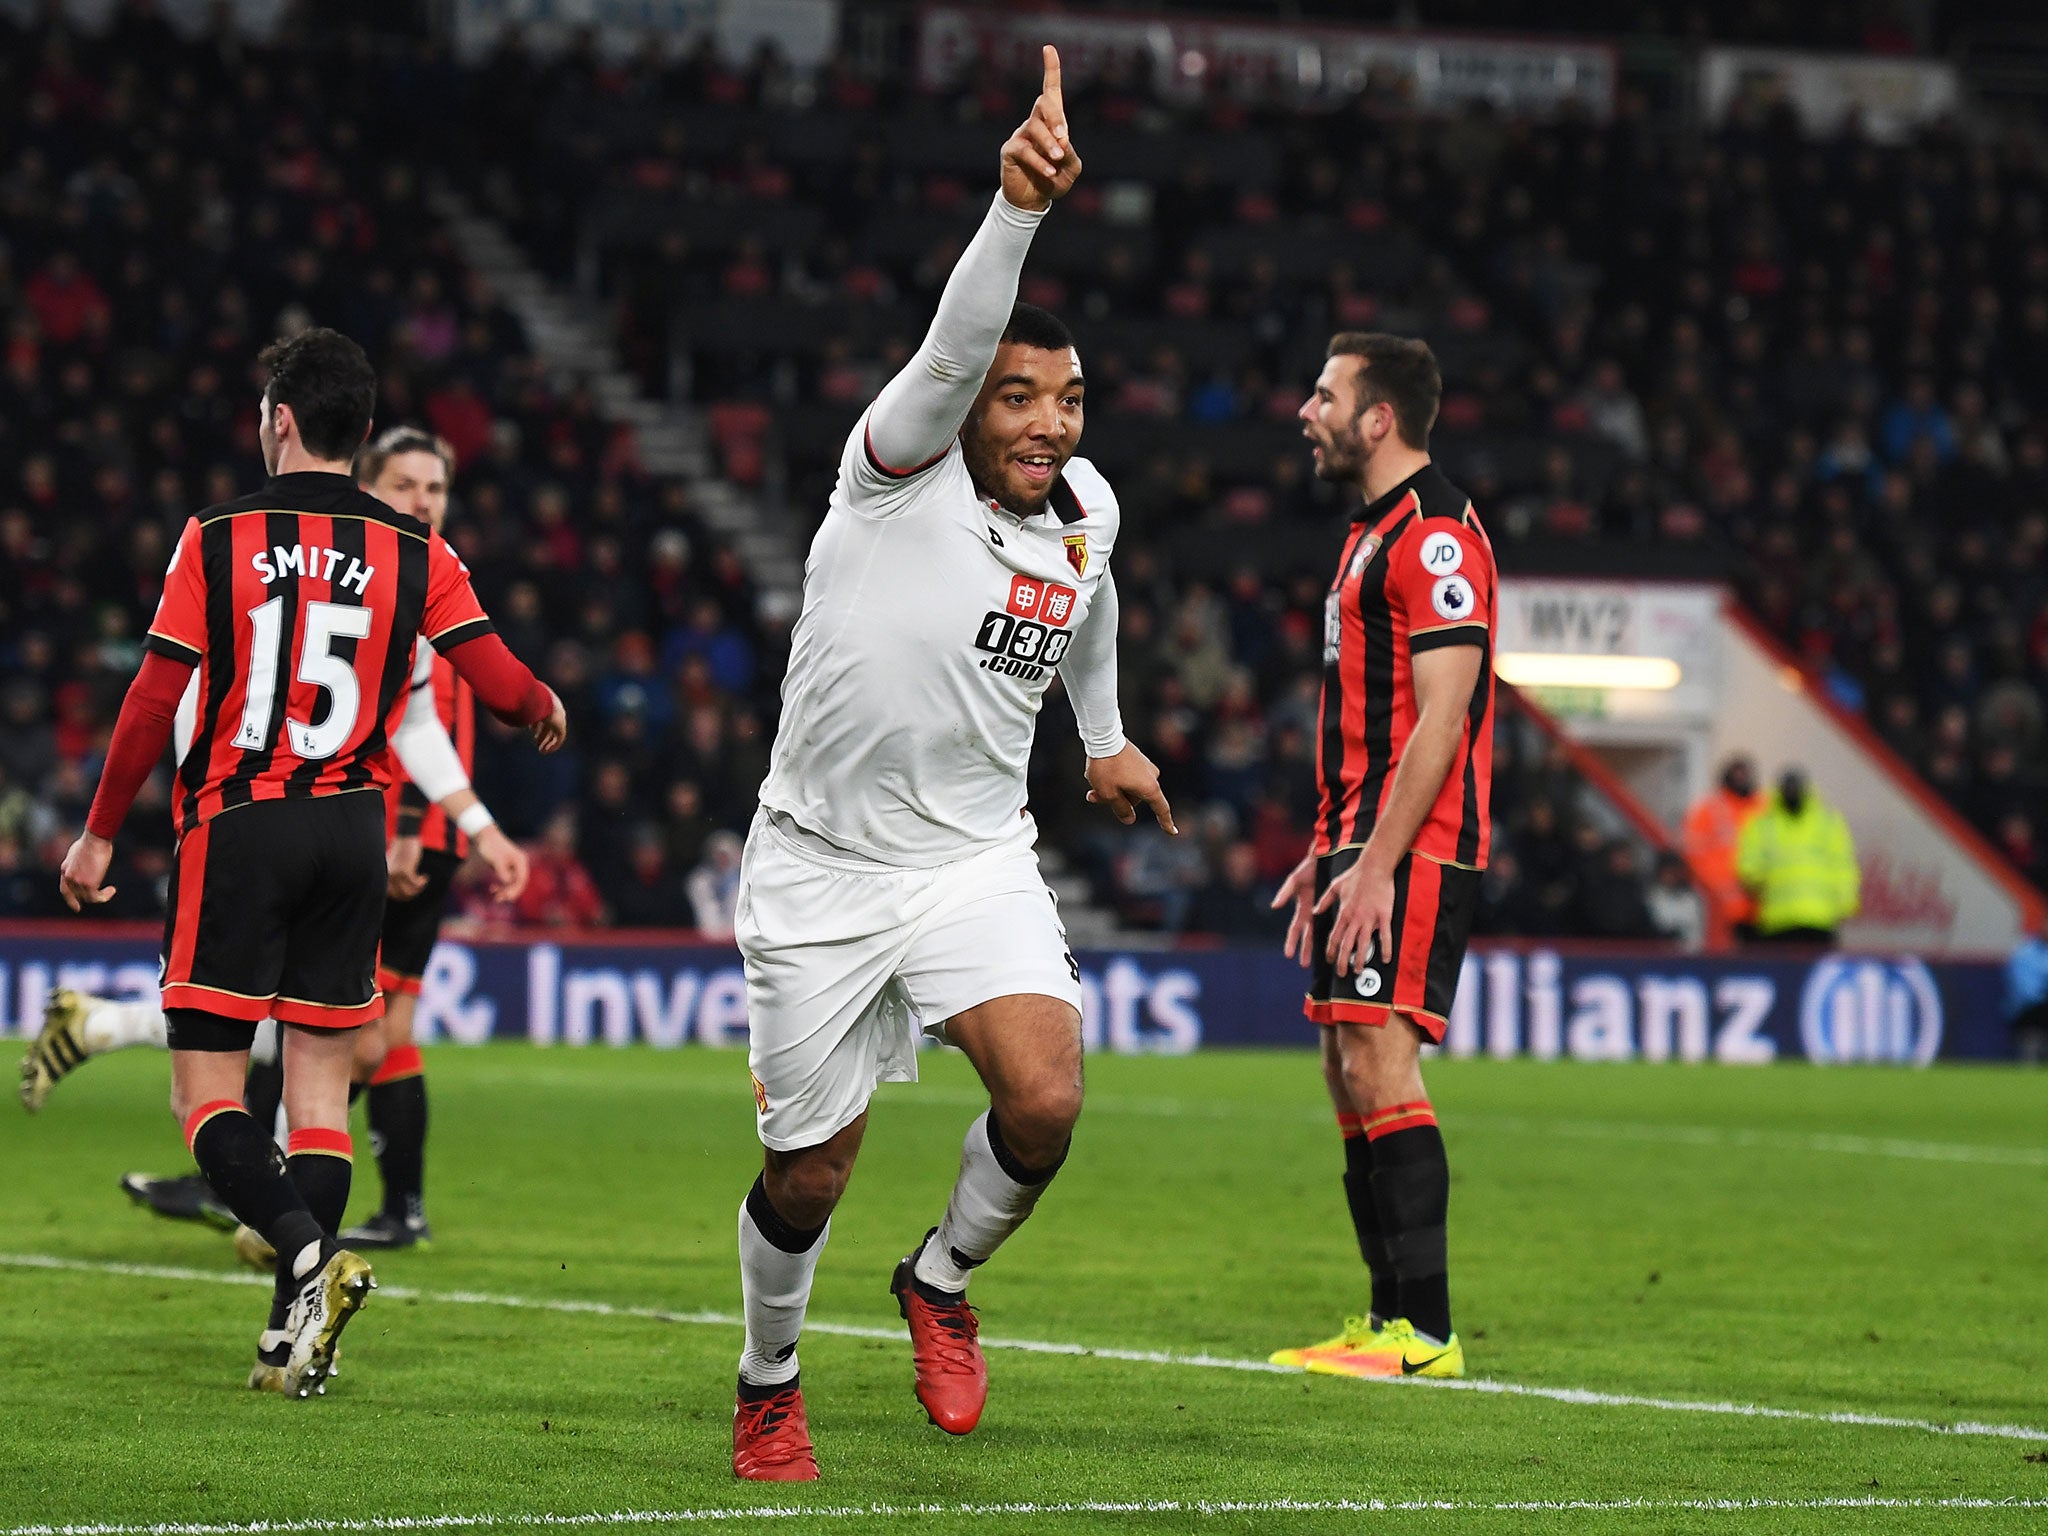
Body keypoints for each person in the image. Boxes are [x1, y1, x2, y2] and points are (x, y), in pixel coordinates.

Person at [728, 48, 1171, 1482]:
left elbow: (1088, 603)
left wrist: (1100, 744)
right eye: (1022, 397)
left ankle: (939, 1283)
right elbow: (948, 341)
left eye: (1071, 399)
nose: (1049, 422)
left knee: (1045, 1098)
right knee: (811, 1173)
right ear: (972, 406)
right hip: (820, 864)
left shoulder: (1087, 505)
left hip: (971, 857)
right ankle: (768, 1377)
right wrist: (1017, 212)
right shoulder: (897, 467)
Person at [56, 328, 565, 1398]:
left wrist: (101, 828)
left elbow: (153, 700)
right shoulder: (419, 552)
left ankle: (303, 1256)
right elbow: (497, 680)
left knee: (204, 1099)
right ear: (365, 435)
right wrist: (539, 708)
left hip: (240, 823)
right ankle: (295, 1333)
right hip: (354, 838)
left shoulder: (217, 537)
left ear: (277, 421)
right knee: (322, 1094)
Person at [24, 429, 532, 1267]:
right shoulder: (403, 567)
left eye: (436, 488)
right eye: (407, 484)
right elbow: (483, 697)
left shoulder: (260, 546)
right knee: (331, 1054)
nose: (424, 502)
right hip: (351, 832)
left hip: (292, 825)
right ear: (362, 474)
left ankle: (299, 1227)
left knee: (315, 1046)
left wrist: (469, 827)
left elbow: (407, 718)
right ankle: (307, 1234)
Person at [1266, 332, 1495, 1382]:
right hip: (1362, 840)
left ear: (1377, 418)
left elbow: (1442, 718)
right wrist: (1328, 851)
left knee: (1379, 1060)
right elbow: (1364, 718)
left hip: (1415, 845)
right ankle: (1384, 1321)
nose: (1304, 411)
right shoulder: (1367, 535)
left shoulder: (1434, 536)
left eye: (1324, 395)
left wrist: (1377, 862)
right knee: (1342, 1066)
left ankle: (1426, 1333)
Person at [1735, 768, 1859, 944]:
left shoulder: (1827, 822)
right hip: (1779, 919)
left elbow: (1843, 866)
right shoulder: (1763, 823)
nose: (1792, 794)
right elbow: (1748, 869)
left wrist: (1846, 903)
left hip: (1817, 918)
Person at [1682, 755, 1763, 947]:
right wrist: (1716, 889)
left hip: (1761, 907)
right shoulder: (1710, 808)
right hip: (1722, 907)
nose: (1741, 778)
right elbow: (1693, 853)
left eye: (1744, 773)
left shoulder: (1764, 807)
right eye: (1737, 773)